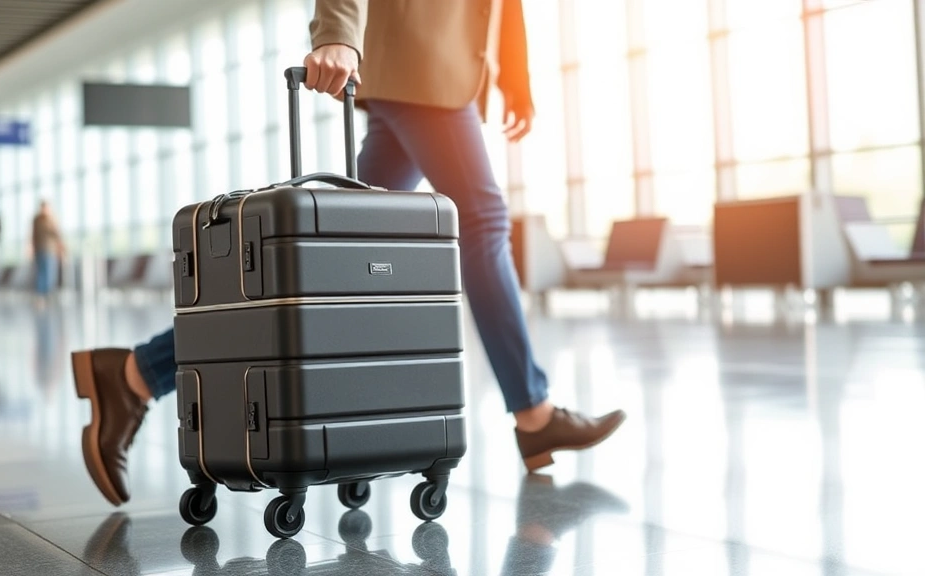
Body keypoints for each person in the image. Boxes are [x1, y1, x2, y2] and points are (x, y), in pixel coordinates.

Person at [70, 0, 627, 507]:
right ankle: (534, 415)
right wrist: (337, 31)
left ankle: (132, 375)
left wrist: (515, 73)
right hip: (418, 66)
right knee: (480, 224)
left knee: (333, 255)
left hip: (434, 69)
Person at [30, 200, 65, 307]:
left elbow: (57, 235)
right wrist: (32, 249)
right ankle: (41, 296)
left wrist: (61, 249)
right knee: (41, 273)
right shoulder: (36, 220)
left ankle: (49, 294)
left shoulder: (52, 219)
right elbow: (33, 235)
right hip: (40, 250)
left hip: (50, 250)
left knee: (50, 273)